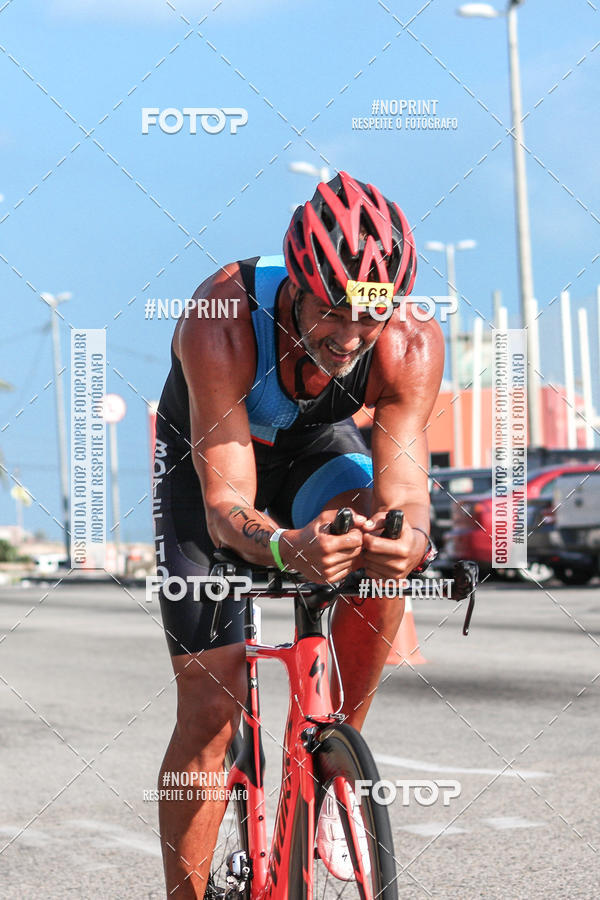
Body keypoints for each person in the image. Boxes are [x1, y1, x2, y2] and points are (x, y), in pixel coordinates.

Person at [153, 170, 444, 897]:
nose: (349, 336)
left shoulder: (410, 342)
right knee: (213, 713)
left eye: (369, 317)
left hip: (315, 456)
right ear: (294, 286)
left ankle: (332, 769)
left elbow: (406, 489)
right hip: (212, 468)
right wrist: (286, 547)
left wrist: (407, 540)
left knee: (385, 549)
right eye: (331, 311)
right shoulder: (222, 314)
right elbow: (227, 504)